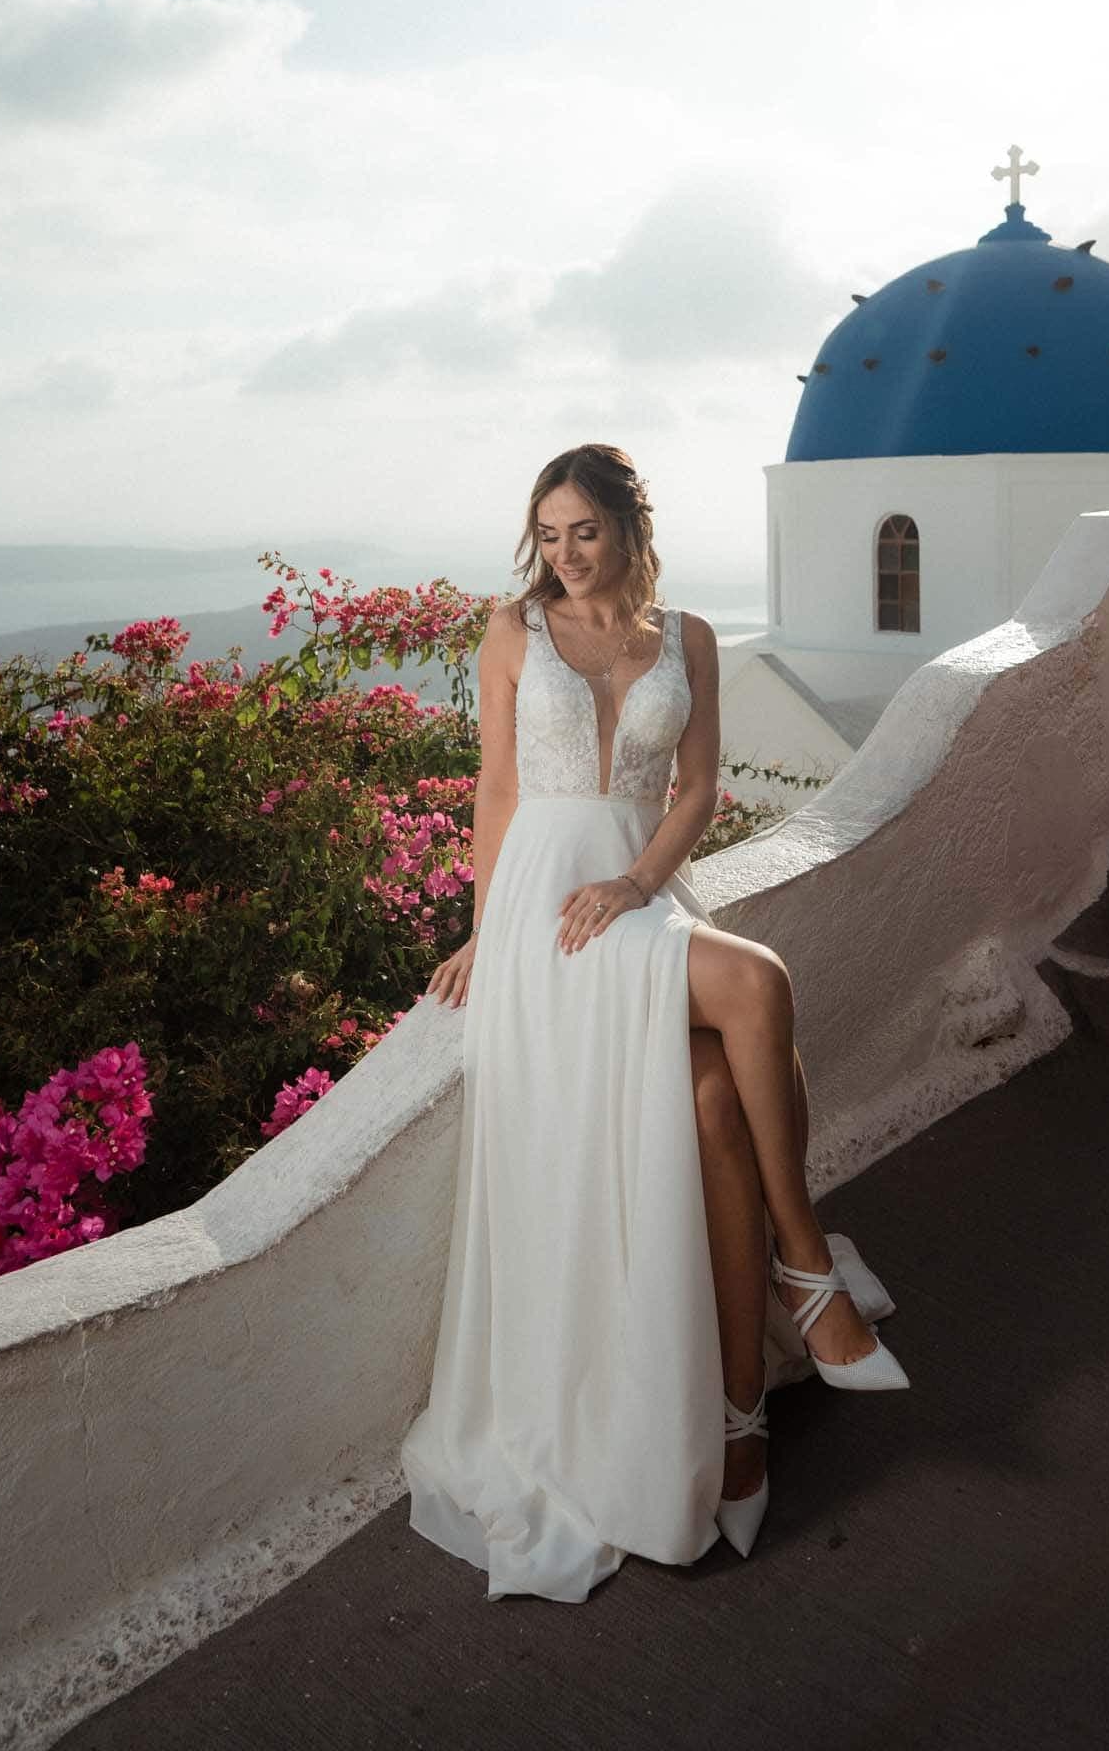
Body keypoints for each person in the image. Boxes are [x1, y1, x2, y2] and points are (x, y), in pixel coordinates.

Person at [399, 442, 908, 1596]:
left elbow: (699, 789)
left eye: (586, 530)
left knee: (720, 1100)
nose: (566, 554)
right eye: (550, 532)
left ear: (628, 528)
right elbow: (495, 789)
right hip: (551, 916)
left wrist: (638, 886)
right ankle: (805, 1272)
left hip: (634, 898)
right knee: (760, 981)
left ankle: (736, 1424)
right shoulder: (512, 632)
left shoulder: (687, 639)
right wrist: (487, 929)